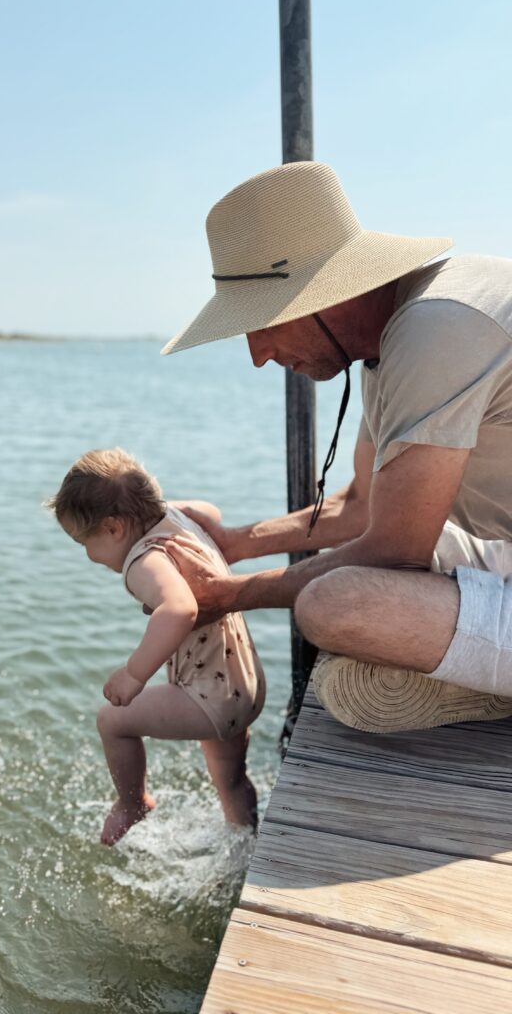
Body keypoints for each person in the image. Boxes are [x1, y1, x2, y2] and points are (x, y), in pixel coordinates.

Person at [157, 160, 512, 734]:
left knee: (331, 604)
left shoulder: (437, 327)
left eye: (261, 324)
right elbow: (362, 506)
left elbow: (394, 552)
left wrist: (224, 595)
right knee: (349, 575)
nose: (258, 355)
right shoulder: (396, 335)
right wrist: (237, 542)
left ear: (321, 295)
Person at [46, 448, 266, 844]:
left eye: (83, 542)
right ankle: (247, 844)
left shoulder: (143, 560)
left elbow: (180, 609)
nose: (88, 554)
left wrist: (134, 674)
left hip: (210, 696)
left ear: (114, 528)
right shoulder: (178, 518)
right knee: (230, 780)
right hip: (243, 682)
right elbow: (211, 511)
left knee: (112, 722)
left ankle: (132, 802)